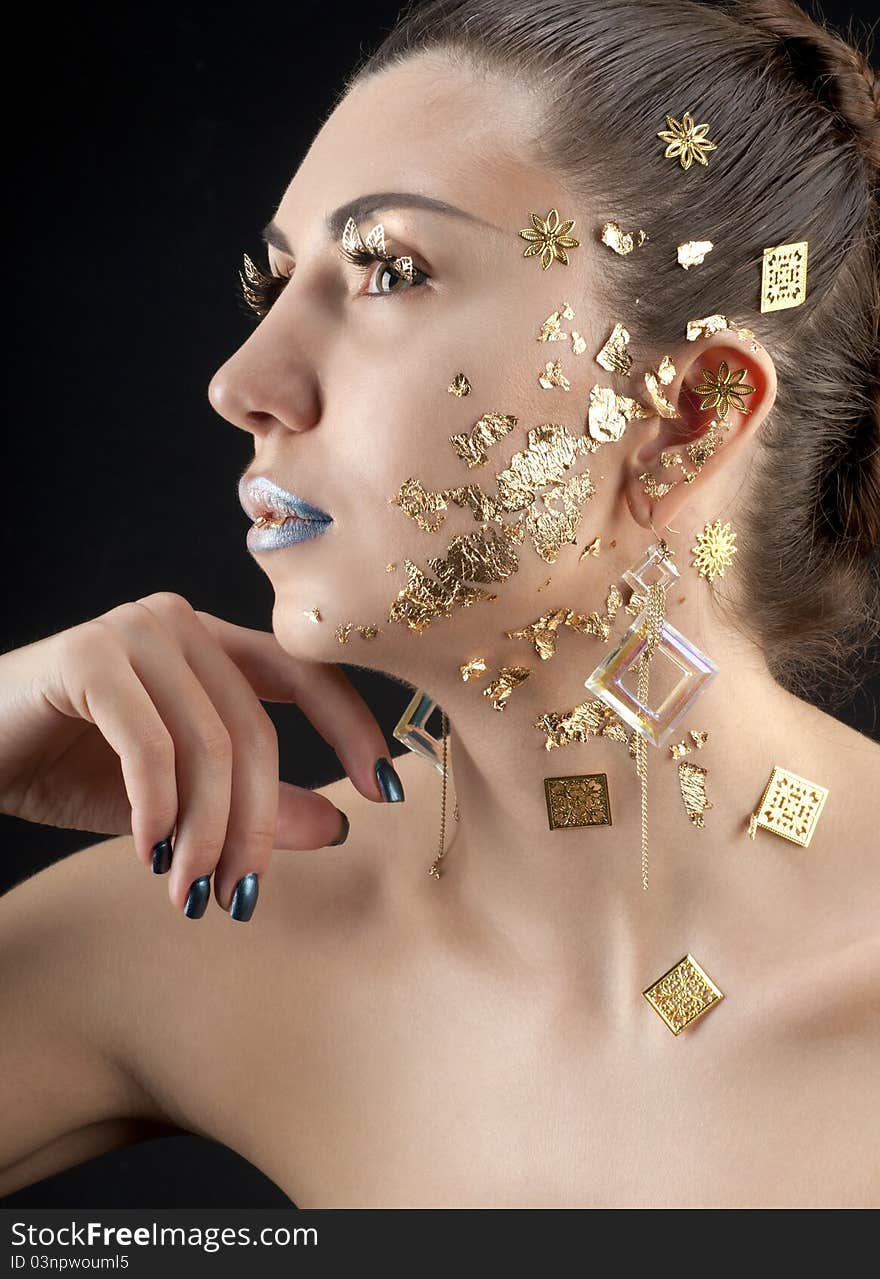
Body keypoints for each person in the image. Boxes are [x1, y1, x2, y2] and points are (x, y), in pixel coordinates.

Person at [1, 0, 879, 1209]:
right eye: (273, 283)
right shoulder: (209, 925)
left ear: (691, 416)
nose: (243, 383)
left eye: (386, 271)